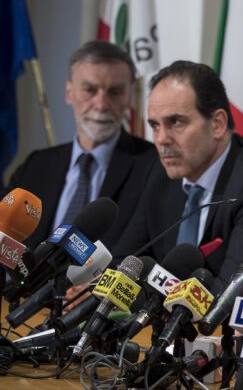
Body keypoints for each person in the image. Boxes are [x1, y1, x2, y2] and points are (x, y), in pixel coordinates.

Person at [114, 61, 243, 305]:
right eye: (155, 125)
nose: (161, 139)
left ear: (217, 124)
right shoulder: (162, 176)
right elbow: (125, 263)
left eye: (176, 123)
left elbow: (225, 299)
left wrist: (143, 302)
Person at [4, 41, 156, 249]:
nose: (101, 105)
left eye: (115, 92)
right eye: (89, 90)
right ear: (69, 93)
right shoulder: (36, 165)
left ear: (130, 97)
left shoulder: (153, 166)